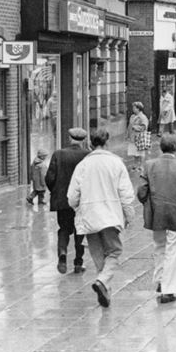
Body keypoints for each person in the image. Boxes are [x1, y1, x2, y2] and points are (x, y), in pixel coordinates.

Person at [68, 129, 136, 308]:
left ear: (91, 144)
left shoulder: (82, 165)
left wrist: (79, 208)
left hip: (89, 216)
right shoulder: (116, 163)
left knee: (98, 254)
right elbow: (126, 194)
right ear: (107, 143)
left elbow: (72, 196)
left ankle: (105, 288)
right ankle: (103, 281)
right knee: (114, 252)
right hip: (110, 216)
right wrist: (129, 215)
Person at [137, 135, 176, 304]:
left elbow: (142, 191)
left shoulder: (149, 166)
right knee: (173, 250)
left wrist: (149, 205)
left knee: (159, 247)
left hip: (156, 213)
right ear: (175, 148)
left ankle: (159, 280)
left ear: (161, 148)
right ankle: (168, 289)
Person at [45, 128, 90, 274]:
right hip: (81, 202)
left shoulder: (58, 154)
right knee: (80, 231)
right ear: (83, 140)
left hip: (63, 200)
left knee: (64, 229)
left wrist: (56, 192)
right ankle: (78, 262)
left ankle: (63, 253)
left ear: (69, 139)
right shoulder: (88, 155)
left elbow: (50, 178)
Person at [127, 102, 150, 172]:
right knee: (134, 152)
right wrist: (128, 134)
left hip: (140, 137)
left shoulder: (143, 117)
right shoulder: (132, 116)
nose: (133, 109)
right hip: (133, 137)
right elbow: (129, 125)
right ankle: (136, 165)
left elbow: (144, 127)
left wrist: (135, 127)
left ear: (138, 109)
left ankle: (141, 166)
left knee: (141, 152)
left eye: (134, 108)